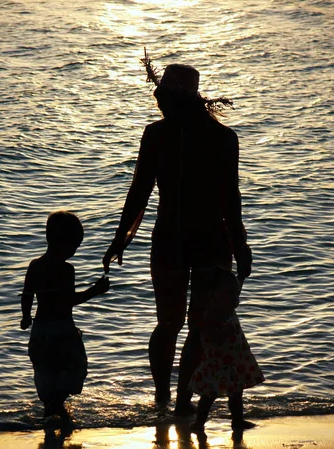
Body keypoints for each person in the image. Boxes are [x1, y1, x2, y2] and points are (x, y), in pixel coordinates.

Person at [103, 53, 252, 415]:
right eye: (158, 98)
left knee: (189, 324)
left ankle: (179, 397)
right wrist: (121, 236)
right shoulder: (195, 137)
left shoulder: (203, 138)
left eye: (165, 98)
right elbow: (139, 191)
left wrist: (242, 246)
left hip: (192, 240)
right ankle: (164, 397)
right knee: (176, 324)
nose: (160, 104)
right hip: (187, 240)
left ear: (182, 100)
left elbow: (229, 199)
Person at [21, 211, 109, 419]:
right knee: (71, 367)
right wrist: (95, 291)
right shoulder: (66, 270)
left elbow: (27, 295)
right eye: (75, 246)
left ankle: (51, 408)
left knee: (45, 370)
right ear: (65, 242)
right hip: (62, 328)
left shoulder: (35, 266)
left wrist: (26, 316)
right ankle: (56, 407)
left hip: (41, 329)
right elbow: (69, 300)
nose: (75, 251)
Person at [189, 268, 264, 431]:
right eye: (229, 294)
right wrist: (222, 332)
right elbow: (209, 336)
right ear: (213, 295)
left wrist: (242, 274)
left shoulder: (229, 311)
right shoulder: (212, 315)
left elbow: (237, 285)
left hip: (234, 362)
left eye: (236, 294)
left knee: (236, 394)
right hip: (217, 364)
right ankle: (199, 423)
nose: (235, 298)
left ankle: (237, 420)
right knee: (209, 396)